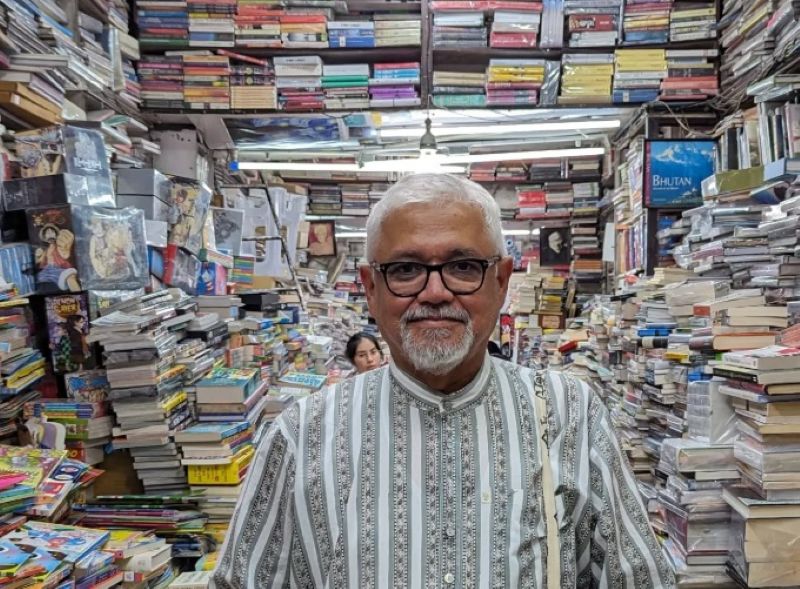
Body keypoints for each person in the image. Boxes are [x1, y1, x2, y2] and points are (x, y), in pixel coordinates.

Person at [211, 174, 674, 588]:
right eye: (406, 270)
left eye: (463, 267)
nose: (435, 293)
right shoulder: (302, 434)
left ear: (501, 281)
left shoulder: (569, 412)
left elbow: (637, 576)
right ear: (370, 288)